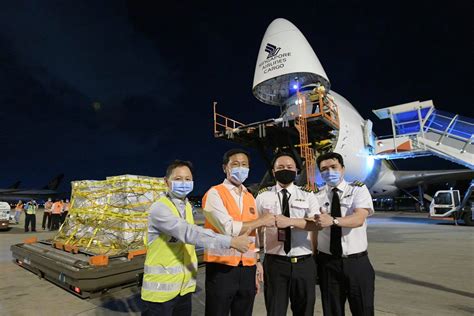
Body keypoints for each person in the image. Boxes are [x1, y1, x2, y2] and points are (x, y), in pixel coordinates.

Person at [141, 160, 252, 316]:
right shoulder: (160, 208)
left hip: (183, 289)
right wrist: (231, 242)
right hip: (160, 293)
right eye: (178, 179)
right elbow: (189, 233)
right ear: (166, 182)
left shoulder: (186, 206)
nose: (184, 183)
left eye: (188, 179)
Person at [202, 148, 276, 316]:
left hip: (247, 269)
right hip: (221, 268)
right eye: (235, 164)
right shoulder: (214, 193)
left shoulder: (249, 196)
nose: (240, 168)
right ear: (225, 168)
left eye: (244, 165)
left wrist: (257, 261)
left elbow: (253, 235)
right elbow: (228, 228)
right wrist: (262, 220)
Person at [255, 152, 320, 316]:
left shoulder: (307, 194)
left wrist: (290, 221)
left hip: (303, 263)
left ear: (297, 171)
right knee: (275, 310)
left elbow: (316, 224)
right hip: (274, 263)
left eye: (290, 167)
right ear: (273, 171)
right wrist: (256, 259)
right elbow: (254, 229)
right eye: (280, 167)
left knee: (305, 310)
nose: (285, 170)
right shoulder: (263, 196)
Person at [312, 152, 375, 316]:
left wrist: (333, 221)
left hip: (356, 262)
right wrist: (314, 258)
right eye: (324, 169)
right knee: (332, 311)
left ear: (343, 169)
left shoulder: (357, 189)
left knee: (363, 309)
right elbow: (314, 231)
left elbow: (359, 218)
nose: (329, 171)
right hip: (328, 263)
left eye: (333, 167)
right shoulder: (316, 196)